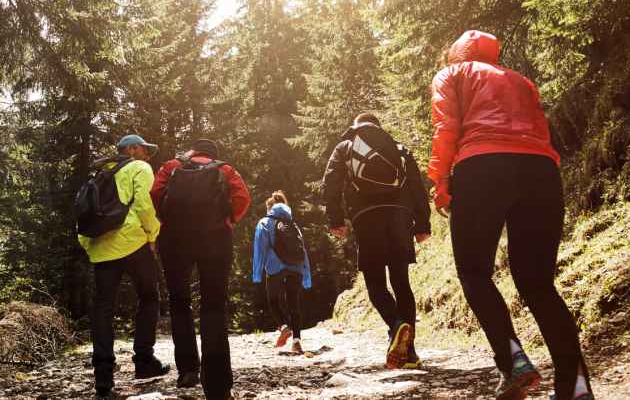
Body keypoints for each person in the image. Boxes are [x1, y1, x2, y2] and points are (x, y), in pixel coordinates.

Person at [429, 30, 593, 400]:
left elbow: (446, 127)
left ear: (456, 53)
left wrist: (440, 181)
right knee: (538, 283)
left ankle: (513, 360)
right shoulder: (520, 80)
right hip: (541, 170)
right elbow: (541, 128)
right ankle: (576, 385)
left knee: (473, 271)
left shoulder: (452, 75)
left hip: (483, 165)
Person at [323, 112, 431, 370]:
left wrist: (336, 219)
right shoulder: (398, 148)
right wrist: (423, 223)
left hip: (366, 218)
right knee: (401, 283)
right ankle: (410, 353)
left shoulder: (346, 146)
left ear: (357, 126)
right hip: (399, 217)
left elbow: (331, 181)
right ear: (379, 128)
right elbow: (416, 185)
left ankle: (396, 327)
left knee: (375, 284)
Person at [151, 138, 251, 400]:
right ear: (213, 153)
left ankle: (187, 370)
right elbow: (242, 198)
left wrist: (167, 220)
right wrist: (228, 219)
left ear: (193, 151)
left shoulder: (172, 166)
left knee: (179, 301)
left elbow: (155, 194)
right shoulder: (225, 169)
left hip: (174, 239)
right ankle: (217, 384)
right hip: (215, 238)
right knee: (214, 305)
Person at [78, 134, 171, 398]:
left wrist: (90, 247)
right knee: (149, 297)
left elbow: (83, 212)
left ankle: (103, 377)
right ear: (132, 149)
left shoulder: (99, 174)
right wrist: (152, 235)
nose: (148, 156)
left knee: (103, 308)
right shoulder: (139, 168)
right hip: (133, 242)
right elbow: (144, 204)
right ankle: (144, 362)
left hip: (101, 249)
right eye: (145, 149)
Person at [252, 191, 313, 354]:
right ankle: (297, 341)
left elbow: (260, 249)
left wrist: (257, 273)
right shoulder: (293, 224)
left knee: (273, 300)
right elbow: (303, 251)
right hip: (297, 267)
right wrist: (306, 276)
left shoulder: (264, 222)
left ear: (269, 208)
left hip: (275, 267)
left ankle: (284, 327)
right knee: (294, 303)